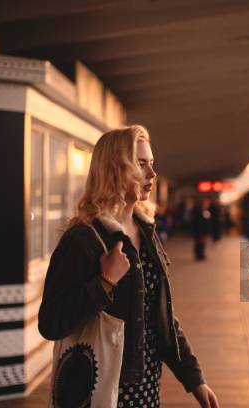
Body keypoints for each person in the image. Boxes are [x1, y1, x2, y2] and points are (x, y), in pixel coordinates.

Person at [38, 125, 219, 408]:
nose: (152, 174)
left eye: (152, 164)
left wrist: (194, 378)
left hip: (146, 391)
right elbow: (50, 322)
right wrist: (104, 282)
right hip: (99, 391)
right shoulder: (82, 240)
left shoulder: (147, 233)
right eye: (141, 164)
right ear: (114, 169)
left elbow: (160, 316)